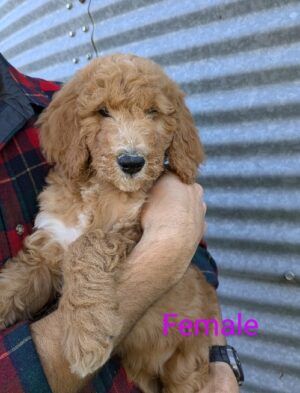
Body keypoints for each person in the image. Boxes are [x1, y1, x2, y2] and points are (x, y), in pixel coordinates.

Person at [0, 53, 241, 393]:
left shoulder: (48, 96)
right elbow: (41, 265)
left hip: (178, 357)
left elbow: (190, 251)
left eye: (151, 111)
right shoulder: (67, 114)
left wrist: (220, 357)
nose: (131, 142)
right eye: (104, 112)